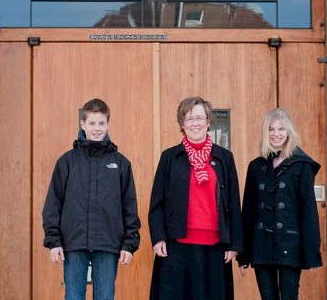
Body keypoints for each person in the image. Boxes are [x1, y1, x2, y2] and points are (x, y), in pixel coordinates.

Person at [42, 98, 141, 300]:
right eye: (92, 123)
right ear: (83, 124)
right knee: (73, 296)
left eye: (101, 123)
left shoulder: (121, 164)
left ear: (108, 124)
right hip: (74, 242)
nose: (97, 128)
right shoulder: (67, 161)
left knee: (105, 297)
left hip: (108, 243)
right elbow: (53, 204)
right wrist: (54, 241)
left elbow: (129, 207)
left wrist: (128, 244)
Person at [148, 96, 243, 300]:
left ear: (209, 122)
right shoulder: (169, 157)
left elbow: (234, 202)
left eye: (200, 118)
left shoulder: (224, 158)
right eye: (189, 119)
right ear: (182, 124)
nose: (195, 124)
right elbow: (157, 203)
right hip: (177, 246)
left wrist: (234, 243)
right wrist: (158, 238)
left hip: (215, 247)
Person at [237, 108, 322, 300]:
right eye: (271, 129)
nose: (276, 134)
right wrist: (244, 253)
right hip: (261, 245)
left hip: (290, 243)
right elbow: (248, 211)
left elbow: (308, 211)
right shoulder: (256, 166)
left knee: (290, 296)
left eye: (281, 129)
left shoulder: (302, 165)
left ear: (289, 132)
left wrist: (312, 251)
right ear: (265, 133)